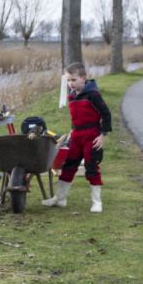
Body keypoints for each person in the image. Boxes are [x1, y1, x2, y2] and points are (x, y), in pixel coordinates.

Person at [43, 62, 111, 212]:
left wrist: (102, 135)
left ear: (83, 78)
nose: (70, 83)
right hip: (76, 136)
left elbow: (106, 114)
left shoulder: (93, 95)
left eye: (73, 80)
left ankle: (97, 202)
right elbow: (76, 118)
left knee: (91, 167)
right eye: (68, 80)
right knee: (68, 166)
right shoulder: (71, 96)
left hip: (91, 136)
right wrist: (71, 132)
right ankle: (60, 199)